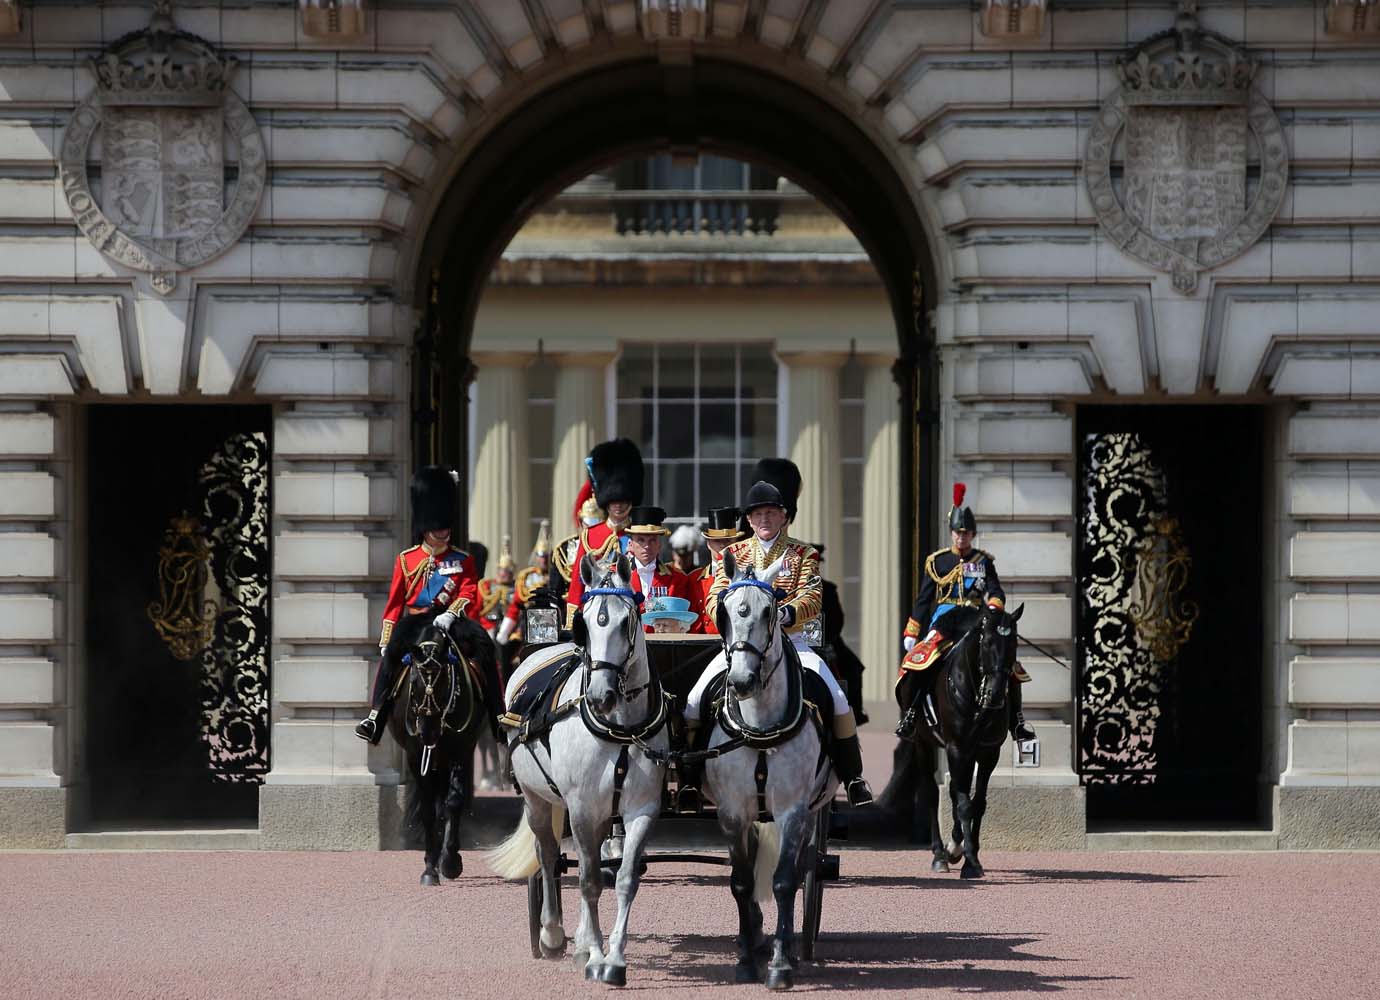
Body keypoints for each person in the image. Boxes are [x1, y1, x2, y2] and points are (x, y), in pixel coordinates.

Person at [679, 459, 874, 810]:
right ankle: (691, 780)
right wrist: (727, 618)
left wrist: (786, 613)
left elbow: (813, 596)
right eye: (758, 514)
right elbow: (714, 595)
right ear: (749, 520)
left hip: (792, 643)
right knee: (694, 700)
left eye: (771, 513)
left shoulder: (802, 554)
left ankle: (853, 776)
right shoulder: (734, 554)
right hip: (740, 647)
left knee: (839, 700)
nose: (765, 520)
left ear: (784, 516)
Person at [356, 467, 488, 744]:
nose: (444, 533)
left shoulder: (462, 560)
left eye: (445, 527)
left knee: (486, 650)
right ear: (426, 528)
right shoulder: (407, 560)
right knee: (390, 658)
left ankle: (499, 718)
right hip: (415, 623)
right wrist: (387, 638)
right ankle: (375, 717)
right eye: (438, 528)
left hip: (451, 622)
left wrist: (452, 613)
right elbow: (394, 604)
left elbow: (469, 590)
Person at [895, 483, 1034, 742]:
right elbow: (924, 599)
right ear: (951, 534)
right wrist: (913, 628)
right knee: (920, 662)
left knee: (1009, 664)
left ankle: (1017, 722)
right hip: (946, 619)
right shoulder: (937, 561)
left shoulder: (983, 561)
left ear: (973, 534)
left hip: (975, 619)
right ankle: (911, 715)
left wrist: (994, 605)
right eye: (958, 533)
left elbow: (996, 591)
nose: (962, 538)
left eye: (967, 533)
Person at [564, 438, 643, 627]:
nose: (618, 506)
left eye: (623, 501)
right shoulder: (590, 535)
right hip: (596, 614)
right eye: (613, 501)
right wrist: (573, 621)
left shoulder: (639, 533)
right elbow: (578, 582)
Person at [813, 544, 869, 726]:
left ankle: (856, 711)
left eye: (815, 564)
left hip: (827, 640)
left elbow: (838, 619)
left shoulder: (828, 589)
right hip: (798, 640)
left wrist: (826, 639)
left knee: (854, 667)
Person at [623, 505, 700, 632]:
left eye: (652, 540)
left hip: (662, 647)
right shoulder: (617, 576)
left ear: (659, 545)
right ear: (630, 545)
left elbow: (684, 623)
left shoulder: (677, 579)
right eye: (641, 540)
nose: (647, 546)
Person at [496, 520, 553, 648]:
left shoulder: (556, 575)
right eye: (540, 555)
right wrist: (504, 631)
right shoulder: (526, 576)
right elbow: (517, 604)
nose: (543, 559)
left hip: (552, 618)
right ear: (536, 556)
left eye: (546, 556)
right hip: (529, 619)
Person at [692, 506, 745, 635]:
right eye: (717, 541)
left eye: (728, 541)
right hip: (704, 646)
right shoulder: (694, 579)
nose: (723, 546)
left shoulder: (746, 576)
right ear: (708, 543)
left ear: (736, 542)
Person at [551, 480, 602, 602]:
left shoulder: (612, 545)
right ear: (580, 522)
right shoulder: (563, 550)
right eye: (588, 525)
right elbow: (555, 590)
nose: (592, 530)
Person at [476, 535, 516, 639]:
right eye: (500, 570)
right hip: (488, 625)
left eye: (506, 572)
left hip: (512, 629)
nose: (502, 574)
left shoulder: (518, 587)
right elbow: (477, 608)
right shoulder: (485, 586)